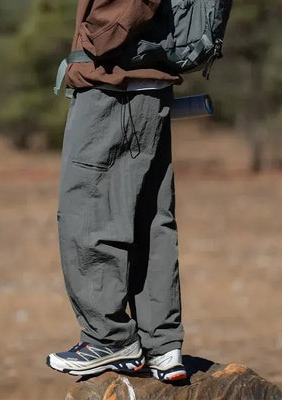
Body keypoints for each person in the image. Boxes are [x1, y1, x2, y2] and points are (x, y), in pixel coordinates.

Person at [47, 0, 186, 382]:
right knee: (150, 218)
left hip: (112, 81)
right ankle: (162, 345)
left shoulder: (106, 49)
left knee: (85, 211)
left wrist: (97, 38)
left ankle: (108, 339)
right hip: (146, 82)